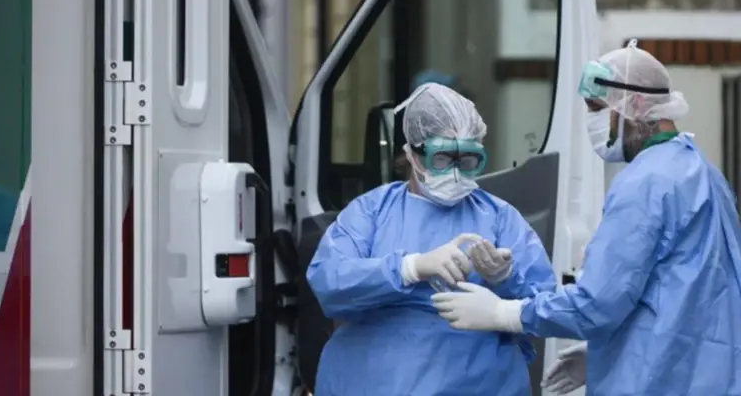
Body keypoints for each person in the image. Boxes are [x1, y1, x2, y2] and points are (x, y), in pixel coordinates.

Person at [431, 40, 741, 395]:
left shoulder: (645, 183)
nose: (593, 123)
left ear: (635, 105)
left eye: (597, 109)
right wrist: (608, 348)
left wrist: (505, 313)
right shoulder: (702, 171)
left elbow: (597, 303)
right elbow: (687, 297)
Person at [306, 83, 556, 396]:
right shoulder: (371, 212)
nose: (455, 172)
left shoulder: (499, 218)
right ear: (412, 153)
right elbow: (329, 281)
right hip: (373, 381)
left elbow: (544, 307)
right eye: (441, 159)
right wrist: (409, 268)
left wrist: (505, 279)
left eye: (468, 160)